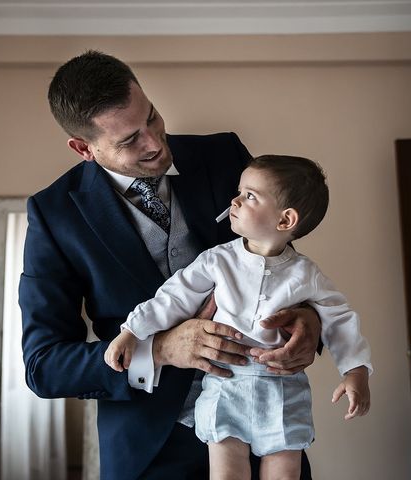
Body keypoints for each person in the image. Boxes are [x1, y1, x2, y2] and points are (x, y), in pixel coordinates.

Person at [19, 50, 322, 480]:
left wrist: (309, 320)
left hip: (265, 427)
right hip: (151, 453)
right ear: (83, 148)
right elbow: (44, 366)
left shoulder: (223, 156)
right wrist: (159, 350)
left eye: (153, 118)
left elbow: (283, 258)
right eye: (129, 140)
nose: (155, 143)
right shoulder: (53, 215)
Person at [105, 155, 372, 480]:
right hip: (226, 384)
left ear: (285, 220)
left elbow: (339, 319)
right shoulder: (217, 261)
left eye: (250, 196)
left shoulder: (306, 274)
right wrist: (132, 330)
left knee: (285, 475)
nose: (234, 200)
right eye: (240, 191)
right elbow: (174, 297)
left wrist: (355, 371)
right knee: (227, 474)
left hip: (283, 391)